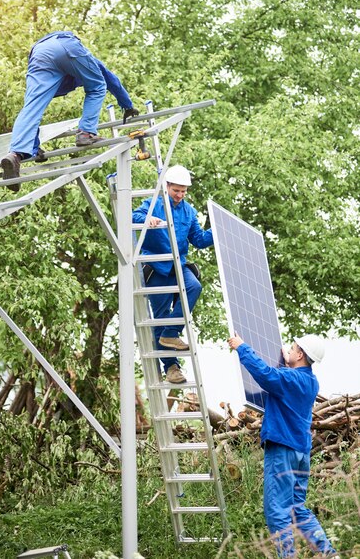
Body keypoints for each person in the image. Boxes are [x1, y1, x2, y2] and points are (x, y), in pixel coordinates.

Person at [227, 332, 338, 558]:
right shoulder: (310, 382)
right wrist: (286, 362)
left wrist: (242, 347)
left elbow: (265, 375)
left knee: (277, 512)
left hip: (283, 451)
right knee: (297, 508)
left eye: (292, 347)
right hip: (300, 452)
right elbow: (282, 379)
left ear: (299, 354)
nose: (288, 349)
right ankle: (329, 554)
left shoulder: (291, 380)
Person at [1, 30, 139, 191]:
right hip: (64, 44)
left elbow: (33, 109)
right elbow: (110, 79)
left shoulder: (54, 71)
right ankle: (86, 132)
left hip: (38, 53)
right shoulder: (87, 61)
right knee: (97, 86)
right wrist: (127, 105)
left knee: (32, 107)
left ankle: (16, 154)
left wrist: (34, 147)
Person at [132, 165, 213, 384]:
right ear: (167, 186)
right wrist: (146, 220)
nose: (180, 195)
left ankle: (172, 331)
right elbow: (135, 215)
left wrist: (218, 230)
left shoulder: (189, 212)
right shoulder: (154, 204)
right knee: (159, 317)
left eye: (184, 191)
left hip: (178, 265)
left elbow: (199, 239)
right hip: (157, 267)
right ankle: (171, 367)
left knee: (194, 286)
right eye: (177, 190)